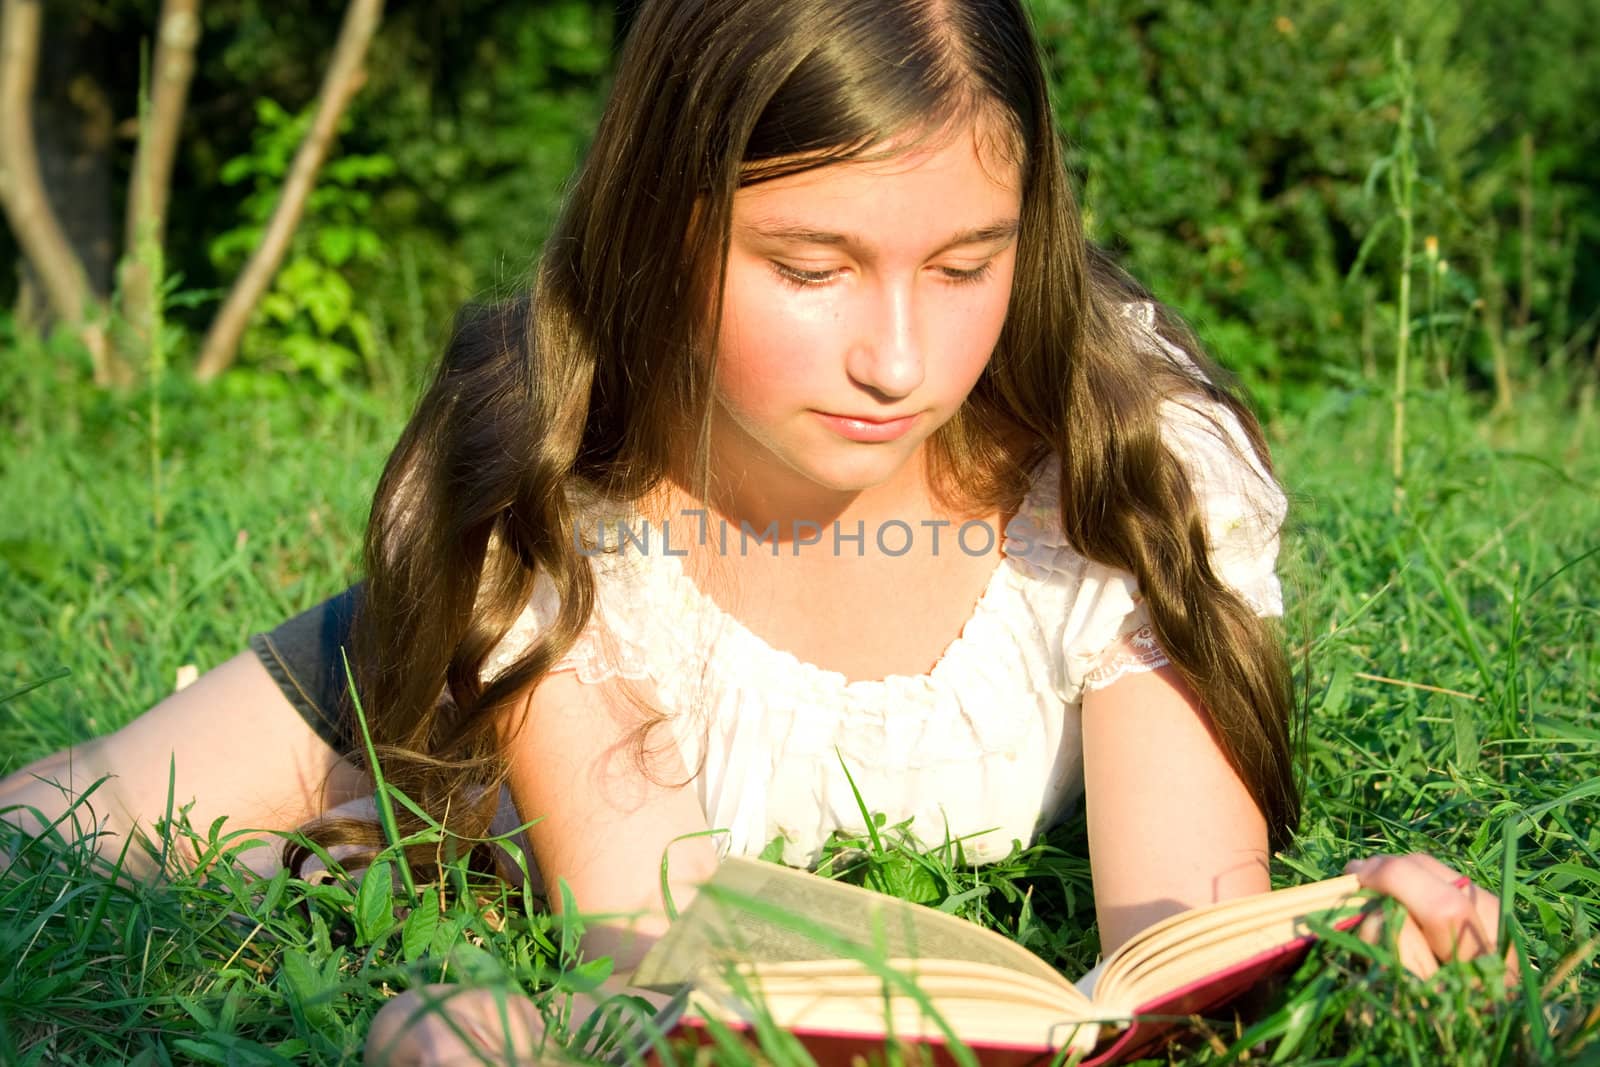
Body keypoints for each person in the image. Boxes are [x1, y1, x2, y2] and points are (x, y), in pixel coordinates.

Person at [0, 0, 1510, 1062]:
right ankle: (334, 867)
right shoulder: (544, 497)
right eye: (812, 266)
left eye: (967, 261)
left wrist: (1342, 938)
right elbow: (646, 940)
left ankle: (337, 888)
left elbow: (1185, 912)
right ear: (664, 223)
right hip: (400, 712)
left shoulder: (1114, 466)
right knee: (45, 843)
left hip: (534, 827)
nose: (902, 362)